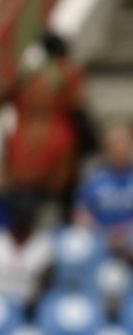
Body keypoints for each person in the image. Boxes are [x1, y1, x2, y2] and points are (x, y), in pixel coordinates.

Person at [1, 32, 89, 218]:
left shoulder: (24, 73)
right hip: (58, 140)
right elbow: (78, 104)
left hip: (22, 142)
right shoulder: (66, 72)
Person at [73, 123, 133, 258]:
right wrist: (105, 234)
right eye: (116, 142)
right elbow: (81, 215)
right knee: (75, 243)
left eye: (126, 142)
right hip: (99, 234)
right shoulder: (93, 178)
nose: (121, 147)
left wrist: (127, 233)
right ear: (106, 147)